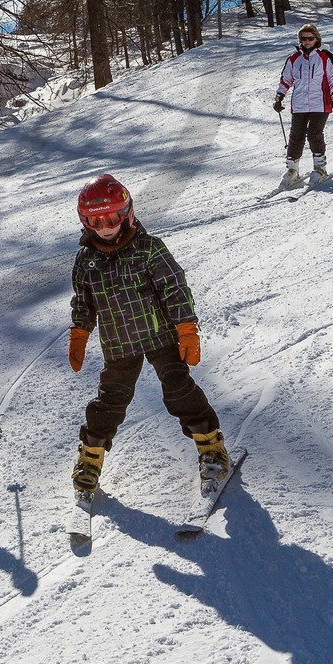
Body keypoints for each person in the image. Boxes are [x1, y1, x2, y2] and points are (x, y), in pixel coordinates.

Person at [68, 174, 229, 500]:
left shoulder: (149, 249)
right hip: (119, 344)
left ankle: (211, 447)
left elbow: (175, 289)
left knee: (178, 390)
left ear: (126, 213)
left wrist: (186, 328)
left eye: (111, 217)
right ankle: (90, 458)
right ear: (85, 222)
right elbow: (83, 302)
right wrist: (80, 332)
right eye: (95, 220)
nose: (105, 226)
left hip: (161, 337)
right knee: (109, 402)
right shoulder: (86, 261)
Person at [273, 22, 333, 185]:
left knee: (314, 133)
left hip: (321, 102)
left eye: (310, 38)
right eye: (303, 39)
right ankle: (292, 170)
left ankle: (320, 168)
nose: (307, 41)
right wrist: (279, 96)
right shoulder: (294, 58)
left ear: (316, 38)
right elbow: (286, 80)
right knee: (296, 136)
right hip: (300, 104)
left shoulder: (325, 57)